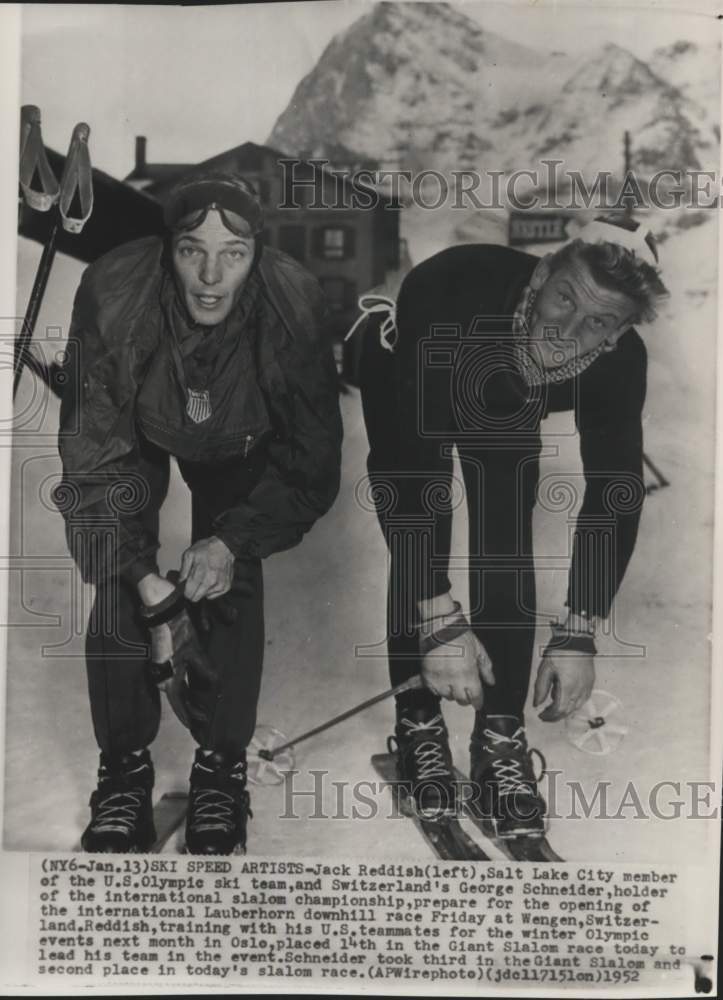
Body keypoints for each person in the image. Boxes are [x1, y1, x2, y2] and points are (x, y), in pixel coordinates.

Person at [54, 171, 343, 854]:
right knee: (122, 574)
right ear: (168, 248)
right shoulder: (116, 291)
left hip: (242, 437)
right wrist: (142, 579)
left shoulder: (292, 301)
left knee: (227, 575)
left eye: (232, 254)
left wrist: (232, 541)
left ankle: (221, 771)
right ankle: (123, 773)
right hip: (139, 426)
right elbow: (94, 458)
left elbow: (310, 464)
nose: (210, 275)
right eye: (191, 250)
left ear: (257, 254)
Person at [358, 217, 667, 839]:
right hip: (411, 365)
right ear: (545, 269)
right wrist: (440, 622)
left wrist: (579, 632)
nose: (568, 332)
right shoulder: (455, 287)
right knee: (426, 528)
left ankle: (499, 736)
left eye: (598, 323)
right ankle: (418, 718)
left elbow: (615, 492)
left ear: (621, 331)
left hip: (506, 393)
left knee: (505, 533)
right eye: (564, 299)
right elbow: (410, 475)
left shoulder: (617, 359)